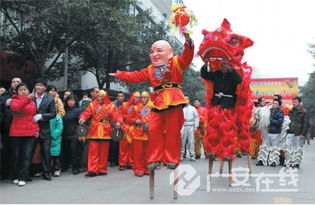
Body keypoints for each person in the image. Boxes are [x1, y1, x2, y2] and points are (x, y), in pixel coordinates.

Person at [110, 33, 194, 170]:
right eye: (152, 51)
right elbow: (135, 76)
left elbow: (188, 56)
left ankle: (171, 159)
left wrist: (188, 41)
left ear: (170, 52)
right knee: (154, 130)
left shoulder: (177, 62)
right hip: (158, 101)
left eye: (159, 50)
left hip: (174, 99)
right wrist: (121, 75)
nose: (155, 53)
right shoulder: (150, 69)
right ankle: (155, 158)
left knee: (173, 132)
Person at [200, 61, 242, 160]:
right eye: (222, 64)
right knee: (214, 127)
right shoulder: (217, 73)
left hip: (228, 104)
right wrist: (206, 64)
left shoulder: (233, 74)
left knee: (227, 128)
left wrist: (231, 70)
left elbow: (239, 80)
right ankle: (213, 151)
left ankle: (227, 152)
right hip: (216, 103)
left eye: (225, 64)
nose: (222, 66)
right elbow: (205, 74)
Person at [79, 90, 122, 177]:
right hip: (94, 130)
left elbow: (117, 115)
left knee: (104, 152)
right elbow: (86, 113)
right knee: (93, 152)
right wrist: (82, 118)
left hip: (106, 131)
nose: (99, 98)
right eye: (98, 96)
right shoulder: (92, 105)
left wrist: (118, 122)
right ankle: (92, 170)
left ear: (105, 97)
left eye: (102, 96)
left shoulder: (111, 106)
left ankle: (102, 169)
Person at [9, 82, 39, 186]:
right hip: (16, 133)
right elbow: (16, 109)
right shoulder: (13, 100)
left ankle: (23, 176)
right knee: (16, 156)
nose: (23, 92)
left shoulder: (32, 103)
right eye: (21, 90)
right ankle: (15, 176)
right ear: (17, 91)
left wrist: (36, 129)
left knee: (26, 156)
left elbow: (34, 117)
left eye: (25, 89)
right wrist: (27, 99)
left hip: (29, 132)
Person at [32, 78, 56, 181]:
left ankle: (47, 173)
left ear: (45, 88)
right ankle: (28, 173)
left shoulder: (49, 99)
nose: (39, 87)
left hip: (45, 130)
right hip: (31, 129)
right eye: (37, 85)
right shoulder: (30, 97)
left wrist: (42, 116)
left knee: (46, 152)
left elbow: (53, 114)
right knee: (29, 151)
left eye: (41, 85)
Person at [0, 77, 22, 180]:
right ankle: (5, 172)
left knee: (19, 152)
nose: (15, 83)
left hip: (21, 128)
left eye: (18, 82)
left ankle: (18, 173)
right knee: (6, 151)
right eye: (13, 82)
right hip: (6, 127)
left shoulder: (25, 95)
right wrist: (5, 104)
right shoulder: (4, 96)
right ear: (11, 84)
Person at [128, 91, 152, 177]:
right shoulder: (135, 108)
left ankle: (147, 169)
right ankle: (139, 170)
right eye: (142, 97)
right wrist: (134, 120)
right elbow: (129, 119)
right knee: (138, 154)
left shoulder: (152, 108)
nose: (143, 99)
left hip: (148, 133)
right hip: (138, 133)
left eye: (145, 97)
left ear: (148, 98)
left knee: (148, 153)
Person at [256, 99, 284, 167]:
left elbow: (279, 122)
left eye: (275, 103)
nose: (274, 105)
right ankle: (261, 160)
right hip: (267, 132)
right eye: (273, 103)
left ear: (279, 105)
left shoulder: (280, 112)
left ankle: (273, 161)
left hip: (276, 133)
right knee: (264, 147)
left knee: (274, 148)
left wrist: (269, 120)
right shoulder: (267, 111)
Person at [285, 96, 309, 169]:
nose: (294, 103)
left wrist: (303, 134)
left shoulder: (304, 112)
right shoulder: (290, 111)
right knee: (288, 148)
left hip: (299, 133)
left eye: (295, 102)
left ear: (299, 103)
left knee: (298, 149)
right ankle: (288, 162)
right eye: (293, 102)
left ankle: (296, 163)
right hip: (290, 132)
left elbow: (306, 123)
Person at [118, 92, 141, 170]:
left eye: (138, 97)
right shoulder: (125, 105)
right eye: (136, 97)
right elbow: (119, 115)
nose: (137, 99)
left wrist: (133, 120)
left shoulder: (140, 107)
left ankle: (130, 163)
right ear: (132, 97)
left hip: (134, 128)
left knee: (132, 147)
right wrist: (124, 119)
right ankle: (122, 163)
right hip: (125, 127)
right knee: (123, 146)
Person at [61, 95, 83, 175]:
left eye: (72, 100)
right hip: (65, 133)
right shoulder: (64, 109)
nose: (70, 102)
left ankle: (76, 168)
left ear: (75, 101)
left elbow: (81, 124)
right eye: (69, 100)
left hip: (75, 134)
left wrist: (81, 134)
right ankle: (65, 166)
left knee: (75, 152)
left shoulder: (78, 110)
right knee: (65, 151)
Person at [109, 91, 125, 167]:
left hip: (122, 126)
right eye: (119, 96)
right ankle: (112, 160)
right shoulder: (112, 105)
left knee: (121, 145)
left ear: (124, 97)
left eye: (122, 96)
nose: (120, 97)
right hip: (113, 126)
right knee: (113, 144)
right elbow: (110, 117)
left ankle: (119, 160)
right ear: (116, 97)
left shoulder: (126, 105)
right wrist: (114, 125)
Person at [181, 95, 199, 161]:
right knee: (182, 142)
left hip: (191, 126)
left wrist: (196, 126)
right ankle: (181, 155)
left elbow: (196, 117)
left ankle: (192, 156)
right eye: (185, 99)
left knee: (191, 142)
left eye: (187, 99)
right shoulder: (182, 108)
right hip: (183, 126)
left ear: (189, 100)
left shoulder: (193, 108)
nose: (186, 100)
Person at [49, 111, 63, 177]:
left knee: (55, 157)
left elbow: (59, 128)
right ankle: (49, 169)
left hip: (55, 139)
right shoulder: (46, 116)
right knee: (48, 157)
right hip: (47, 138)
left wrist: (53, 135)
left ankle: (57, 169)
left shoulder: (58, 117)